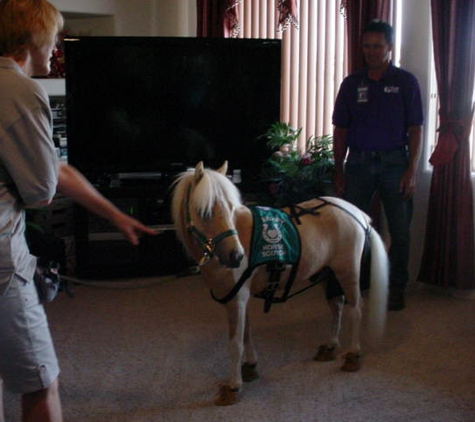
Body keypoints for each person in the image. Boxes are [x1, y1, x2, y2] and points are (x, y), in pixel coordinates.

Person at [0, 1, 156, 421]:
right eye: (53, 38)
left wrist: (116, 215)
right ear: (33, 37)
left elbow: (57, 169)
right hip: (1, 266)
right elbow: (42, 193)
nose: (56, 48)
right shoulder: (20, 89)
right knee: (40, 382)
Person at [332, 20, 423, 311]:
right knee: (352, 229)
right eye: (367, 46)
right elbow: (341, 129)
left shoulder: (406, 82)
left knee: (400, 231)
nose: (371, 52)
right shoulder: (351, 83)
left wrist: (411, 170)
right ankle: (353, 283)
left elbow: (416, 128)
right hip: (357, 163)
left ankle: (396, 287)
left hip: (395, 164)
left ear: (389, 47)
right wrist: (338, 167)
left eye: (377, 46)